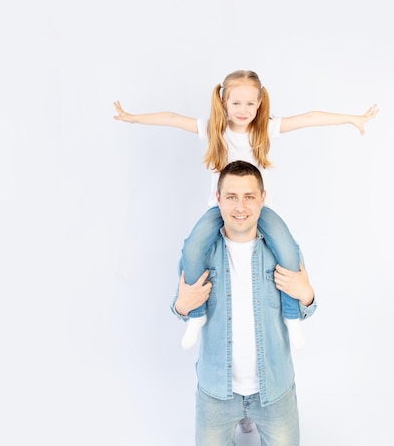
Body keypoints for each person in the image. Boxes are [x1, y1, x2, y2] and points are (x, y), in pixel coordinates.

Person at [114, 69, 378, 349]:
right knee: (192, 249)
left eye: (250, 104)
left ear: (260, 103)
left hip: (259, 210)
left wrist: (352, 119)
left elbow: (309, 117)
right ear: (224, 102)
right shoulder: (213, 129)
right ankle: (196, 315)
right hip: (221, 209)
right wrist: (133, 118)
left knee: (288, 249)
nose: (243, 110)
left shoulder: (265, 129)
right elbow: (171, 118)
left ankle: (292, 318)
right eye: (236, 103)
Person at [171, 160, 316, 446]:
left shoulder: (282, 251)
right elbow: (178, 308)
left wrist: (307, 294)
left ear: (263, 198)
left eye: (249, 197)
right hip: (216, 392)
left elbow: (307, 304)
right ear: (218, 199)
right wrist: (182, 306)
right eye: (232, 197)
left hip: (274, 390)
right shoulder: (201, 255)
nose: (241, 207)